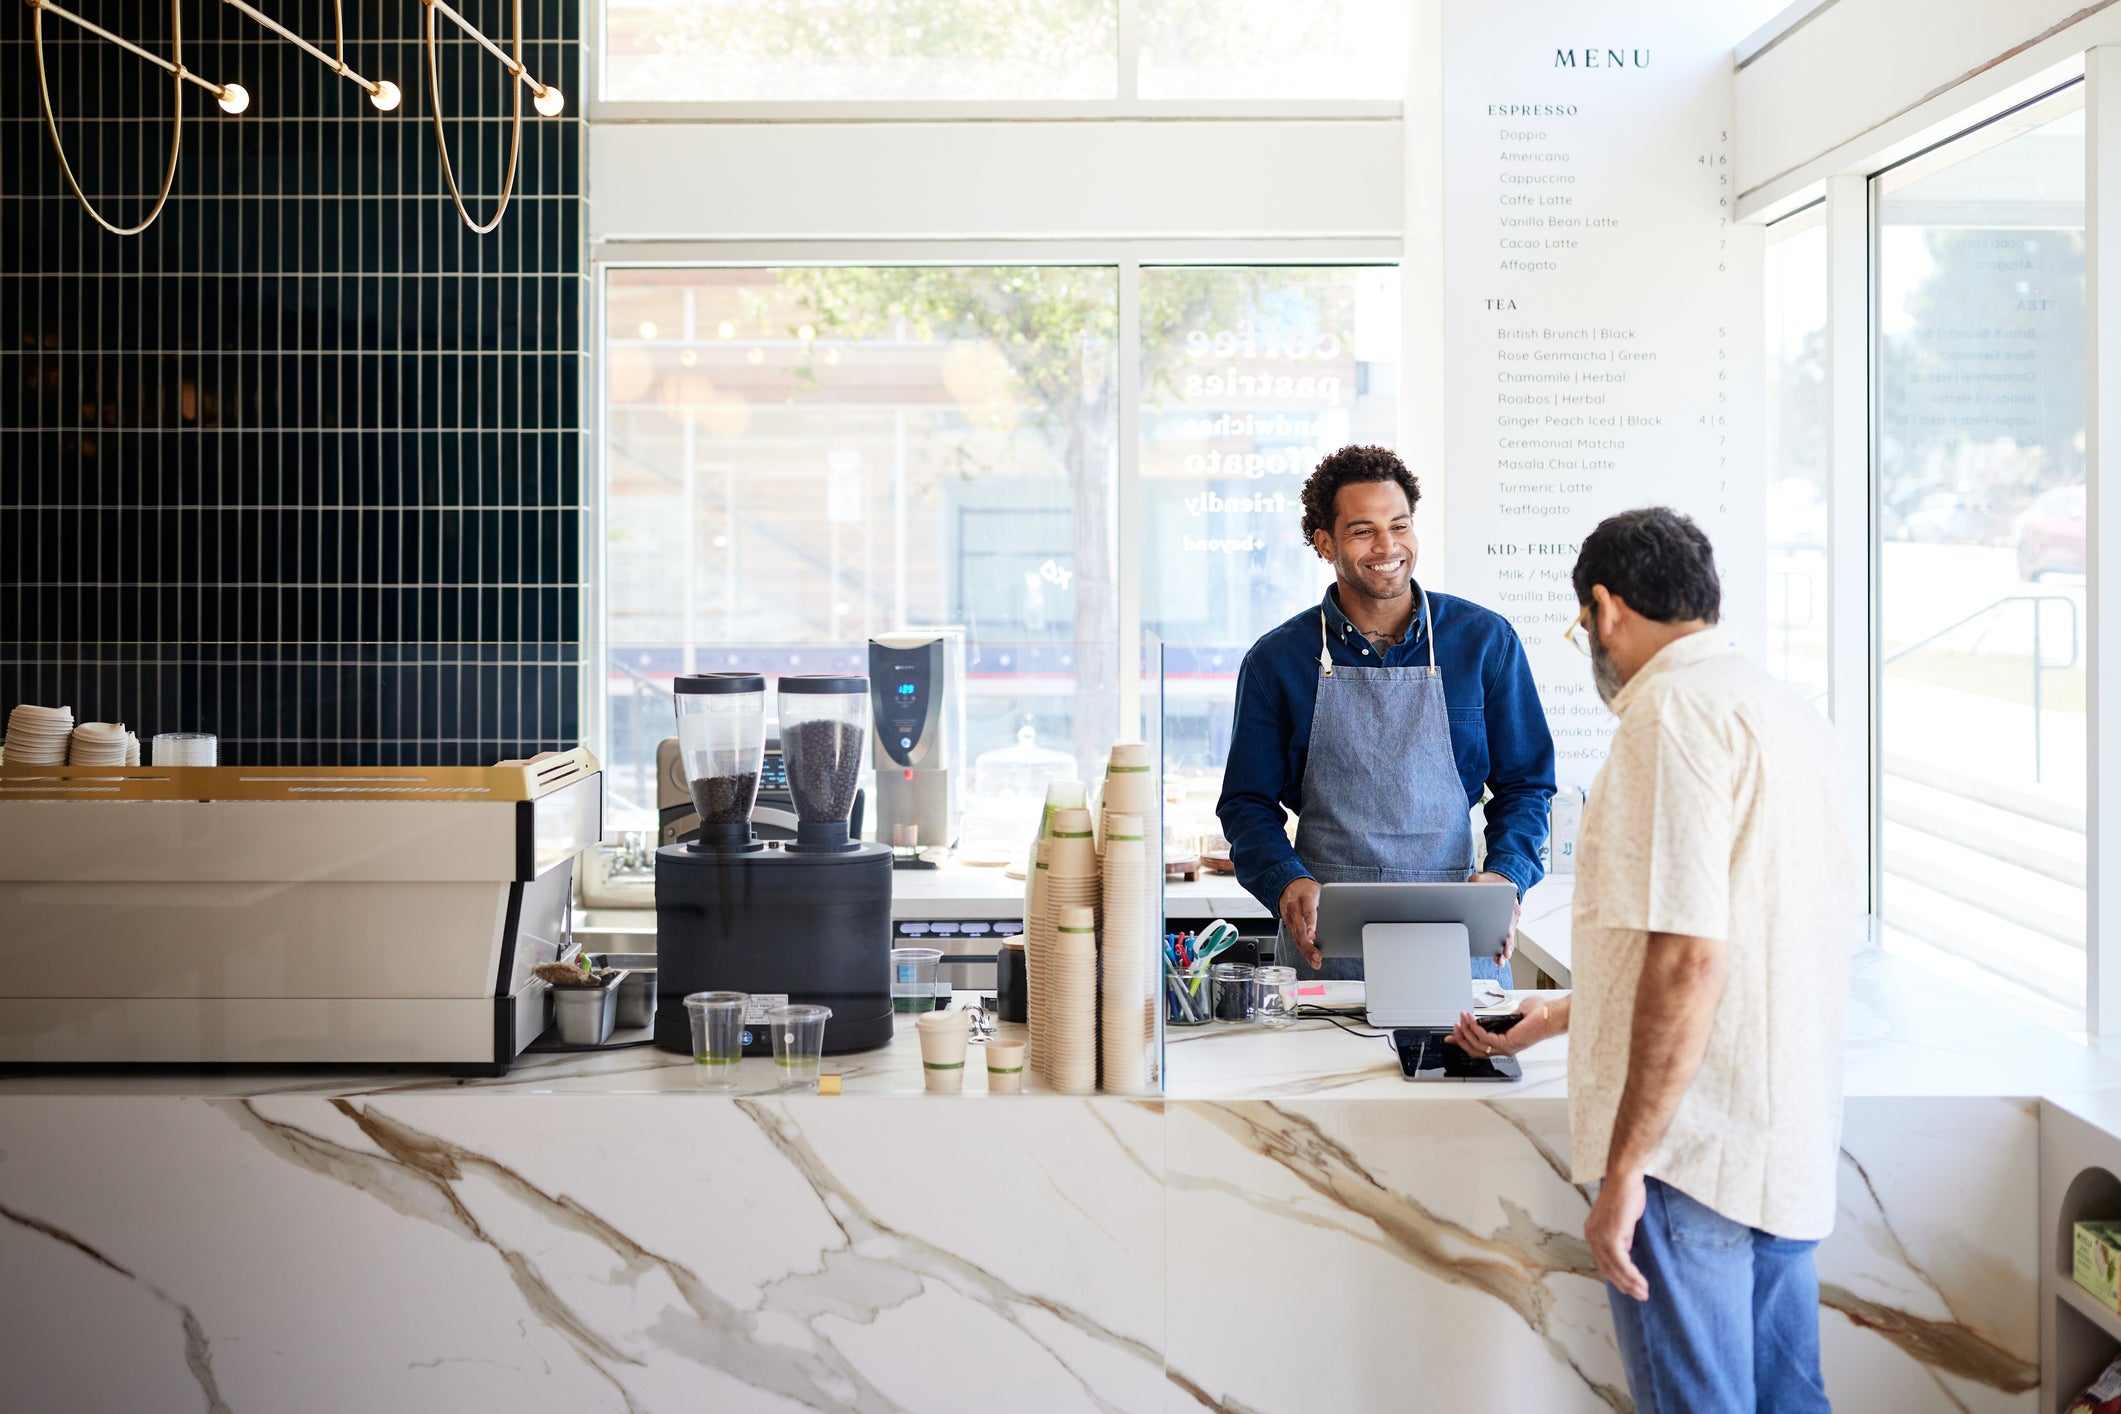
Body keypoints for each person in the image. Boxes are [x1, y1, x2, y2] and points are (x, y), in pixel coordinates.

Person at [1450, 507, 1859, 1413]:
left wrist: (1627, 1167)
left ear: (1606, 608)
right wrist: (1562, 1013)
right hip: (1780, 1135)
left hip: (1687, 1153)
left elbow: (1688, 959)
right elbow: (1745, 932)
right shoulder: (1782, 710)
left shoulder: (1666, 716)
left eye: (1582, 624)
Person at [1216, 445, 1556, 984]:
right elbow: (1246, 804)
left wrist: (1504, 874)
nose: (1387, 546)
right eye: (1362, 530)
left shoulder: (1485, 642)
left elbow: (1527, 786)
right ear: (1324, 542)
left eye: (1399, 525)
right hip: (1325, 949)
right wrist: (1285, 882)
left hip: (1457, 940)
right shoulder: (1276, 660)